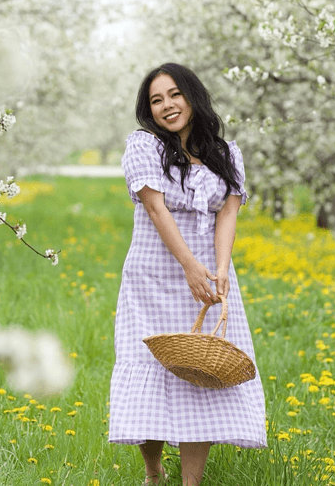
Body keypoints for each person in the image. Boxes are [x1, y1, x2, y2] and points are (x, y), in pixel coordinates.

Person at [108, 63, 267, 486]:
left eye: (174, 94)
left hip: (206, 273)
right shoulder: (144, 146)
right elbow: (157, 208)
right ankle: (153, 472)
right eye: (156, 100)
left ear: (192, 96)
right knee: (149, 364)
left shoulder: (226, 152)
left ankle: (190, 483)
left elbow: (228, 213)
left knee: (200, 369)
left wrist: (219, 269)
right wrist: (190, 267)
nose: (167, 106)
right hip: (153, 274)